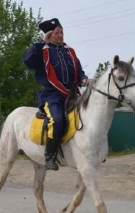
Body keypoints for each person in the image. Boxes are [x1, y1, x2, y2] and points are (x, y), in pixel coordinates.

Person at [22, 18, 88, 171]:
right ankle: (50, 156)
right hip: (51, 95)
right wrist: (40, 43)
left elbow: (78, 70)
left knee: (88, 114)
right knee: (57, 120)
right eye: (57, 33)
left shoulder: (69, 52)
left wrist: (83, 78)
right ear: (49, 35)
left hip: (71, 94)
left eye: (62, 32)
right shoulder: (42, 51)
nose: (60, 35)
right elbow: (28, 61)